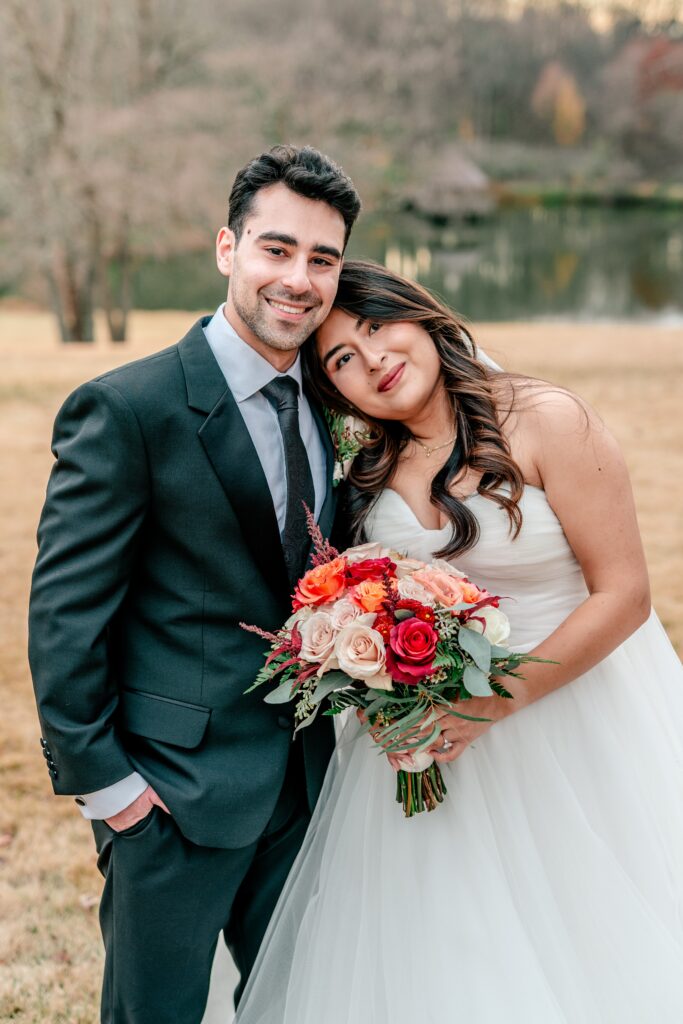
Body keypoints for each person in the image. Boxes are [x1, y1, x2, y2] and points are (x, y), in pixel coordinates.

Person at [234, 259, 683, 1023]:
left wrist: (494, 704)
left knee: (589, 936)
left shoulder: (547, 420)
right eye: (341, 357)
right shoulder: (365, 470)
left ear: (421, 315)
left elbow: (626, 595)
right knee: (441, 953)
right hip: (428, 750)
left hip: (571, 722)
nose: (372, 360)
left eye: (378, 328)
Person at [27, 145, 361, 1023]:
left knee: (297, 1005)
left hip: (309, 787)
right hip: (170, 798)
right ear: (227, 248)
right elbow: (66, 618)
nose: (298, 279)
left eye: (321, 259)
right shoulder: (128, 408)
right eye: (275, 249)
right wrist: (112, 794)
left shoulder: (339, 406)